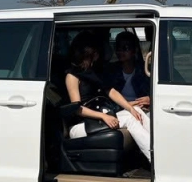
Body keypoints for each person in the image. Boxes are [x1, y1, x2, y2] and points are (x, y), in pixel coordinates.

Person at [64, 31, 152, 162]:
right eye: (96, 50)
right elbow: (77, 109)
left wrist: (130, 108)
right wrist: (103, 116)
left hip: (97, 119)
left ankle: (159, 148)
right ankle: (155, 158)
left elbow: (111, 91)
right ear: (88, 52)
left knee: (137, 112)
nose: (99, 53)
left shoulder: (94, 72)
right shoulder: (72, 76)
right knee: (130, 119)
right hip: (81, 124)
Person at [103, 31, 150, 111]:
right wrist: (129, 105)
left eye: (125, 48)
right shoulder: (110, 70)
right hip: (117, 110)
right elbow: (107, 99)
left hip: (142, 109)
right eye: (118, 48)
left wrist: (150, 98)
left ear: (135, 50)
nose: (120, 52)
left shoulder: (145, 70)